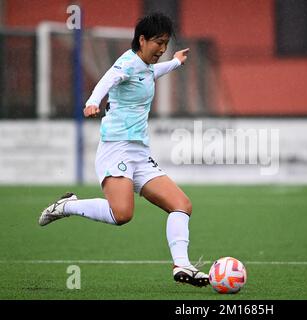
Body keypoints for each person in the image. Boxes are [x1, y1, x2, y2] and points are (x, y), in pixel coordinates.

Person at [39, 13, 209, 286]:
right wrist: (93, 101)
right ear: (142, 40)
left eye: (166, 43)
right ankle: (68, 206)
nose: (162, 48)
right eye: (158, 42)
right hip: (116, 149)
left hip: (139, 154)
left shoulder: (145, 66)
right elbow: (108, 79)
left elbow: (152, 73)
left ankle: (183, 266)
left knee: (181, 205)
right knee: (122, 215)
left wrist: (175, 63)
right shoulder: (127, 63)